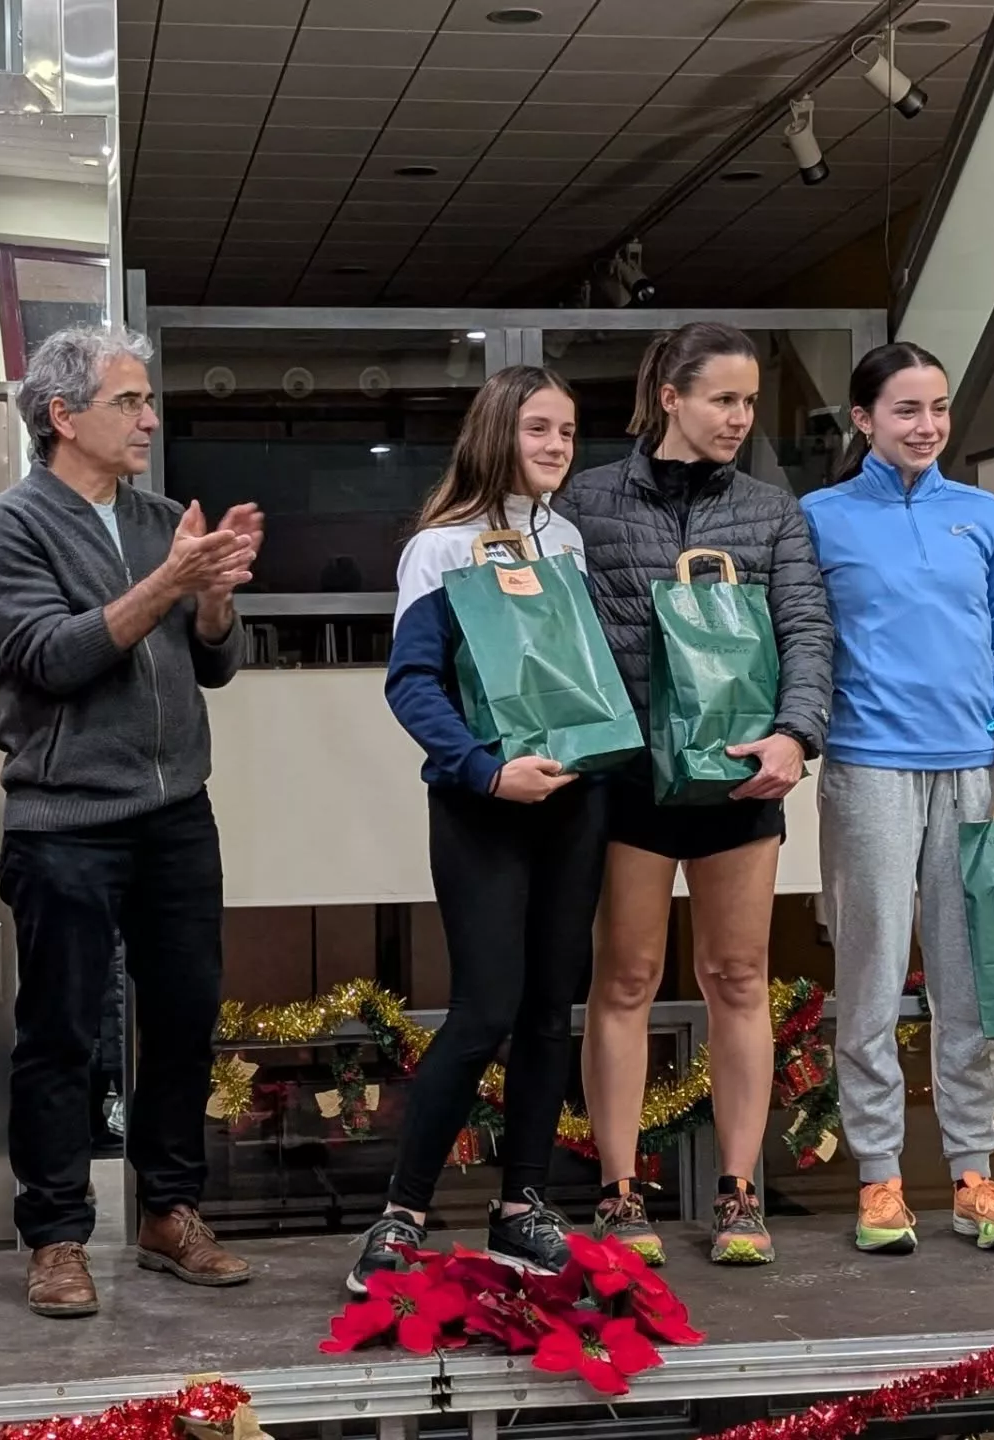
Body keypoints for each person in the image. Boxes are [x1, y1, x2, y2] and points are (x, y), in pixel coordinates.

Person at [0, 327, 260, 1318]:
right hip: (65, 822)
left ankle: (168, 1212)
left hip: (177, 811)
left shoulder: (159, 521)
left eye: (149, 401)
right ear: (64, 417)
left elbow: (217, 666)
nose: (149, 418)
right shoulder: (8, 527)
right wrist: (170, 584)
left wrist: (217, 599)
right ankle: (57, 1236)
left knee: (185, 1018)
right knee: (61, 1033)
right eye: (129, 402)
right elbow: (49, 658)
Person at [556, 323, 832, 1266]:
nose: (740, 418)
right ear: (668, 397)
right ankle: (620, 1195)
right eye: (723, 399)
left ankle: (739, 1193)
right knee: (625, 981)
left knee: (738, 980)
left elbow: (807, 627)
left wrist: (796, 736)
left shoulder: (771, 510)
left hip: (743, 779)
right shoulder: (587, 501)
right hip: (629, 780)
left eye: (750, 402)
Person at [346, 365, 606, 1293]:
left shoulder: (568, 539)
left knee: (548, 1010)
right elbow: (412, 683)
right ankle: (402, 1212)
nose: (556, 448)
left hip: (574, 802)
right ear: (496, 431)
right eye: (539, 429)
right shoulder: (442, 548)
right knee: (485, 1008)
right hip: (482, 803)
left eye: (569, 433)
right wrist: (487, 771)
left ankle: (520, 1207)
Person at [802, 342, 994, 1257]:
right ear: (863, 419)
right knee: (867, 976)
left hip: (970, 769)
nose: (928, 426)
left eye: (938, 408)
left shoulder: (981, 515)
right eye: (906, 410)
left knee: (966, 982)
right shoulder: (818, 518)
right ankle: (879, 1179)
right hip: (867, 767)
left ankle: (974, 1173)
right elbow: (803, 642)